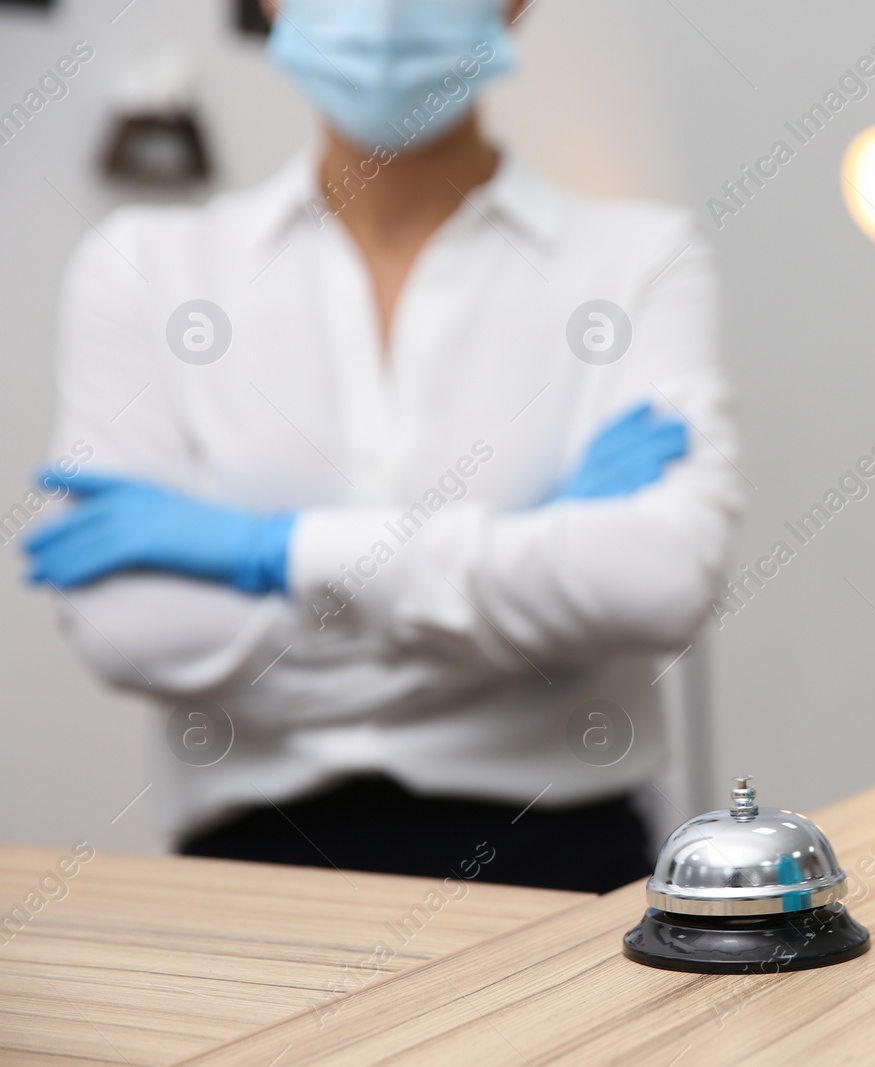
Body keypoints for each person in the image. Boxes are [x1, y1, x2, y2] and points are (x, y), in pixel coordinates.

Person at [23, 0, 741, 894]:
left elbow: (656, 581)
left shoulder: (641, 259)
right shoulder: (141, 265)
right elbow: (135, 631)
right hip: (246, 887)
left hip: (567, 877)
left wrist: (269, 553)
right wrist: (535, 583)